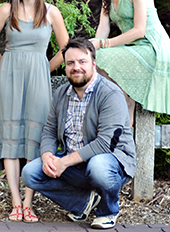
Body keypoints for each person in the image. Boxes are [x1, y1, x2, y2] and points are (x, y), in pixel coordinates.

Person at [0, 0, 69, 222]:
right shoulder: (6, 10)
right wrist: (7, 66)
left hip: (38, 80)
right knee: (10, 140)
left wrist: (46, 67)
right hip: (10, 79)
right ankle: (16, 202)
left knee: (36, 138)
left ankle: (30, 203)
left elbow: (66, 49)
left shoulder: (51, 12)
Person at [22, 38, 136, 229]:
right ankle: (82, 203)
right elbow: (49, 130)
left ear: (93, 64)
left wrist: (63, 162)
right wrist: (47, 156)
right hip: (75, 165)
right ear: (65, 67)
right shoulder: (61, 94)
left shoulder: (110, 94)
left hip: (111, 163)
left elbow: (105, 144)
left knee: (98, 165)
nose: (76, 67)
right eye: (70, 63)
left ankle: (108, 211)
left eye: (82, 62)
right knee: (30, 173)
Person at [90, 0, 170, 126]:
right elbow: (103, 28)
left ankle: (126, 107)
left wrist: (104, 44)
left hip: (151, 45)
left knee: (105, 57)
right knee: (94, 59)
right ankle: (122, 105)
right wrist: (91, 47)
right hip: (132, 46)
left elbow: (139, 30)